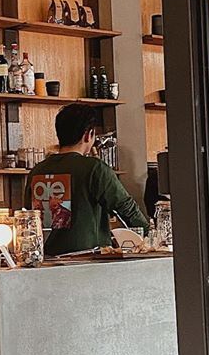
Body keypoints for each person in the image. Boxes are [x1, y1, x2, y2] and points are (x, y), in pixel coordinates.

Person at [25, 105, 149, 255]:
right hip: (88, 260)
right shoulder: (94, 168)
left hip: (46, 259)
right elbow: (126, 207)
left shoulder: (37, 171)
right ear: (88, 135)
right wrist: (149, 237)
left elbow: (28, 217)